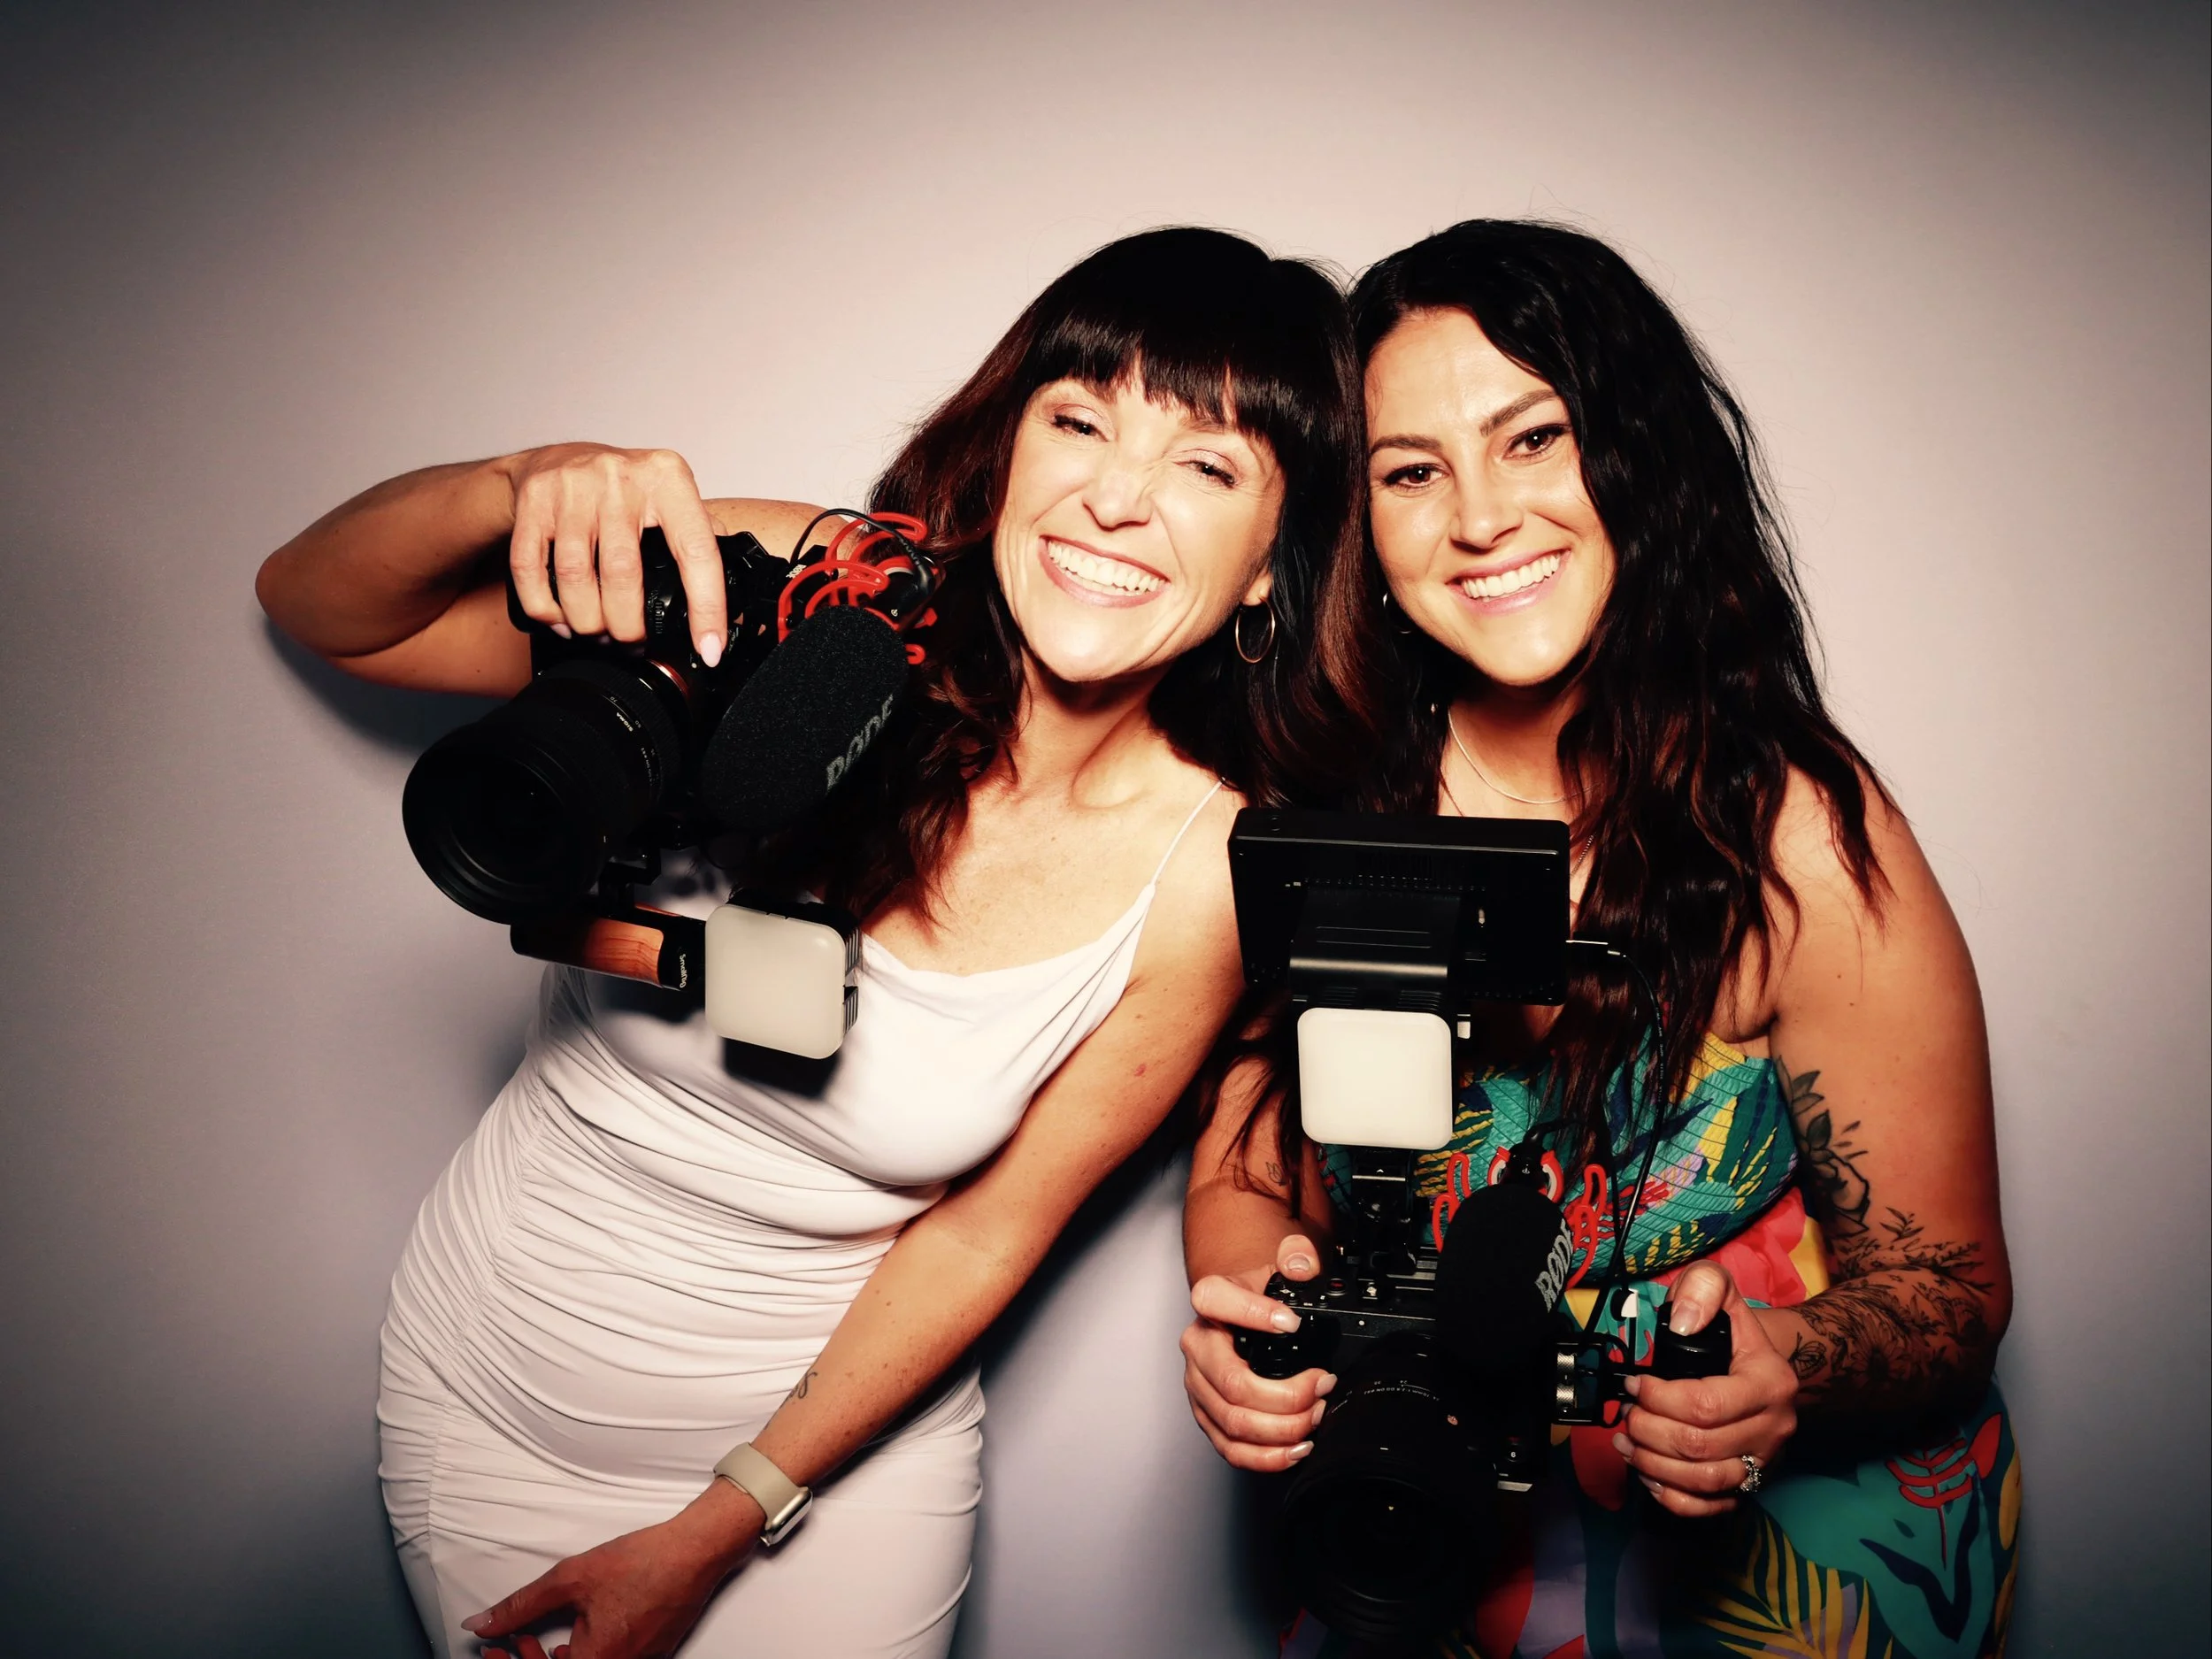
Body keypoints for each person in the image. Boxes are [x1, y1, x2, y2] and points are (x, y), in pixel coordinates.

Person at [257, 227, 1367, 1659]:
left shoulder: (1207, 872)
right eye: (1079, 420)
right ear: (1006, 454)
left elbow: (986, 1232)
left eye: (1206, 467)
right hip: (482, 1404)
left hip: (816, 1477)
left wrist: (723, 1519)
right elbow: (323, 600)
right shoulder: (802, 592)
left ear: (1272, 566)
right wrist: (519, 483)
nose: (1115, 498)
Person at [1180, 220, 2019, 1658]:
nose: (1481, 517)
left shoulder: (1793, 829)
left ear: (1637, 456)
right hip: (1437, 1518)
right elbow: (1248, 1166)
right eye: (1410, 472)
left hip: (1785, 1555)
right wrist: (1259, 1320)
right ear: (1362, 527)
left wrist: (1790, 1368)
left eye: (1533, 438)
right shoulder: (1330, 807)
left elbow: (1951, 1285)